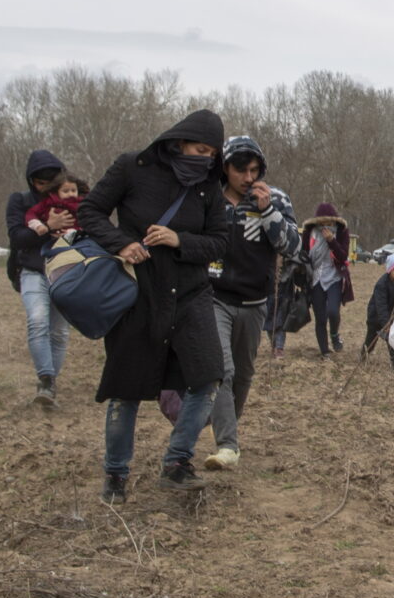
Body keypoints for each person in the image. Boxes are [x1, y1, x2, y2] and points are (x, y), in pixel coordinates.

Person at [76, 110, 229, 503]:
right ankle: (115, 475)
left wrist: (180, 241)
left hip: (191, 295)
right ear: (179, 142)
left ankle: (177, 463)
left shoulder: (210, 187)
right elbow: (90, 211)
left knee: (208, 376)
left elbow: (219, 241)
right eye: (200, 149)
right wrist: (120, 244)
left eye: (212, 153)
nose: (206, 158)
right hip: (137, 293)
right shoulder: (132, 167)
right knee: (125, 390)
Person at [203, 135, 295, 469]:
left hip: (255, 302)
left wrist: (267, 210)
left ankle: (227, 424)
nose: (248, 178)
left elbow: (293, 246)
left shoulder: (276, 199)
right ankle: (228, 446)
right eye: (240, 170)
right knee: (221, 370)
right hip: (214, 298)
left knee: (243, 374)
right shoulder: (209, 199)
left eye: (254, 170)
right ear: (224, 168)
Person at [5, 149, 74, 407]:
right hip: (32, 270)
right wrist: (48, 228)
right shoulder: (20, 201)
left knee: (59, 333)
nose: (46, 188)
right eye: (40, 182)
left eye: (51, 182)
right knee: (37, 322)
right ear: (32, 181)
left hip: (65, 271)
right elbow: (17, 237)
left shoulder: (71, 198)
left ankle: (49, 386)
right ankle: (45, 380)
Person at [299, 203, 354, 356]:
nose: (325, 226)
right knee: (320, 317)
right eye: (322, 223)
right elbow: (304, 254)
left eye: (328, 223)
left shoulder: (341, 232)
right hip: (315, 278)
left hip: (334, 277)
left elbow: (343, 256)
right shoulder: (310, 233)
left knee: (333, 312)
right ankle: (325, 352)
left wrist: (331, 241)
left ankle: (335, 335)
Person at [364, 253, 394, 368]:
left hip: (393, 314)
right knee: (371, 339)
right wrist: (386, 323)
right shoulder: (381, 285)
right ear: (389, 270)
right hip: (376, 316)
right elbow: (381, 306)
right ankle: (364, 353)